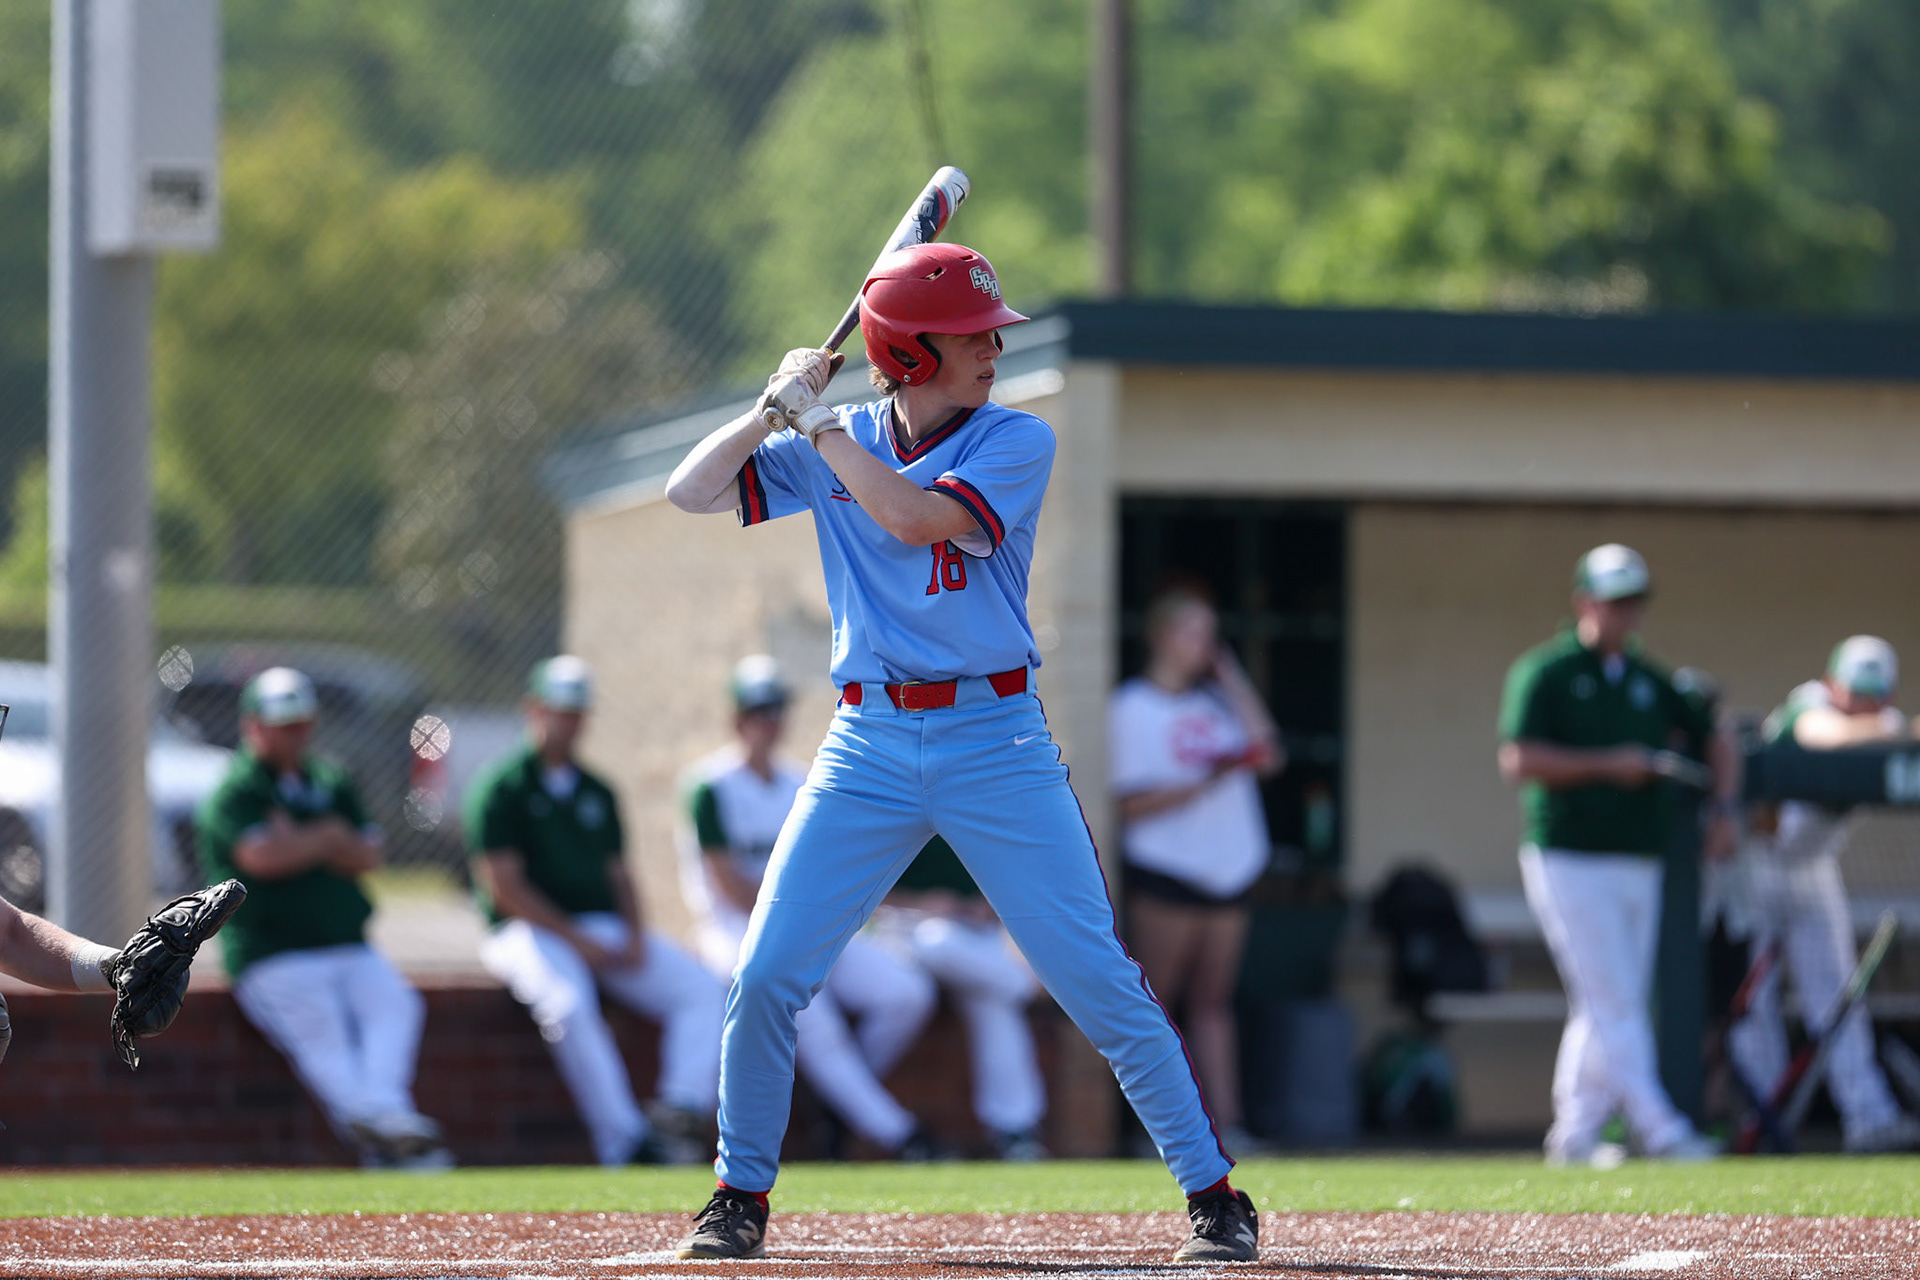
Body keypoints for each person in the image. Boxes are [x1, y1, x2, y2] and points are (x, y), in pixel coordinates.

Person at [663, 241, 1256, 1263]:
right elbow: (691, 490)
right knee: (762, 974)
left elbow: (911, 519)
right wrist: (772, 409)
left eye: (990, 334)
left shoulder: (1015, 440)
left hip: (997, 738)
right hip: (867, 740)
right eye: (972, 335)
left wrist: (822, 433)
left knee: (1097, 980)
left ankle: (1216, 1195)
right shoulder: (831, 433)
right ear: (907, 350)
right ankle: (737, 1194)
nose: (992, 348)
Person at [1498, 545, 1738, 1167]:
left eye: (1633, 601)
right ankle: (1660, 1129)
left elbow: (1717, 735)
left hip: (1639, 857)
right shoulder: (1545, 672)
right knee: (1616, 998)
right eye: (1613, 601)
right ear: (1584, 602)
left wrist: (1725, 811)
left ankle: (1574, 1137)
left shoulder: (1647, 678)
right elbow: (1518, 760)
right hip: (1568, 858)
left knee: (1604, 997)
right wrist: (1613, 765)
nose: (1625, 614)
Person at [678, 655, 944, 1161]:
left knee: (906, 994)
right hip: (735, 928)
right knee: (814, 1017)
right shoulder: (708, 785)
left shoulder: (803, 780)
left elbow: (834, 864)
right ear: (737, 718)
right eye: (758, 710)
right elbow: (730, 887)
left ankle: (841, 1104)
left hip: (807, 919)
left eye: (776, 709)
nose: (768, 721)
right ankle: (898, 1134)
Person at [466, 655, 725, 1166]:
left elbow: (620, 875)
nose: (569, 720)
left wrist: (633, 933)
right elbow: (503, 888)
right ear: (533, 710)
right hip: (526, 932)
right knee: (567, 1006)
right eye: (559, 709)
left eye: (578, 711)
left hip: (599, 927)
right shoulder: (501, 786)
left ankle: (677, 1110)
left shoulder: (597, 790)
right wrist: (575, 938)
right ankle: (625, 1143)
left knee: (702, 989)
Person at [198, 666, 452, 1169]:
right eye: (280, 723)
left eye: (300, 722)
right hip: (273, 952)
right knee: (324, 1035)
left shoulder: (329, 777)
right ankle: (395, 1139)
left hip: (347, 943)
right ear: (253, 725)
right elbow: (262, 859)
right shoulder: (238, 788)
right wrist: (332, 838)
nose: (293, 734)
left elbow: (370, 854)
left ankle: (384, 1123)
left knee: (397, 1005)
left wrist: (303, 838)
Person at [1109, 586, 1283, 1155]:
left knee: (1213, 1005)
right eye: (1192, 632)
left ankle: (1226, 1127)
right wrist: (1199, 784)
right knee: (1160, 1003)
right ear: (1160, 635)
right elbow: (1124, 804)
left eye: (1211, 634)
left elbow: (1269, 753)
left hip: (1227, 872)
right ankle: (1158, 1131)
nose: (1204, 646)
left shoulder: (1216, 704)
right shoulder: (1130, 707)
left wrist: (1232, 678)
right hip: (1168, 871)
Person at [1730, 637, 1920, 1152]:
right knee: (1755, 1007)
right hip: (1757, 866)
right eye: (1856, 691)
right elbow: (1827, 735)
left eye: (1876, 694)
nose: (1864, 702)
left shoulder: (1882, 727)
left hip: (1813, 871)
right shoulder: (1810, 705)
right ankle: (1762, 1123)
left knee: (1838, 997)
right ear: (1834, 683)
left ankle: (1869, 1117)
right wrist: (1896, 727)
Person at [875, 835, 1050, 1160]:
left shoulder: (978, 809)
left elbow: (1016, 884)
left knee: (992, 1002)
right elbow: (858, 893)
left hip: (973, 936)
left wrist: (986, 906)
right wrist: (924, 903)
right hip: (904, 931)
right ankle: (1035, 987)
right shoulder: (889, 801)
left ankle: (1015, 1129)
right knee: (938, 941)